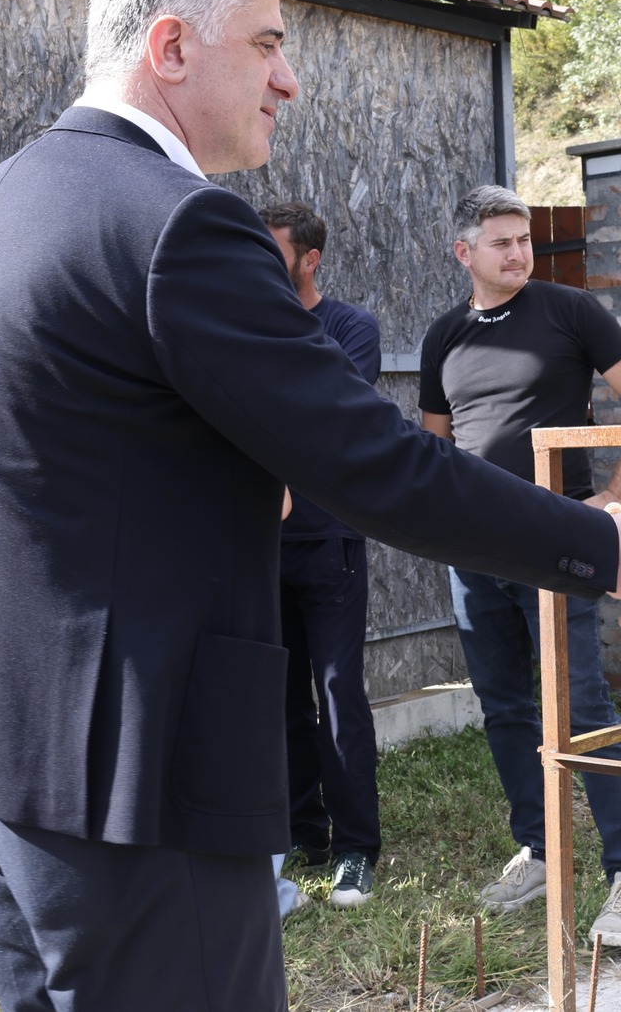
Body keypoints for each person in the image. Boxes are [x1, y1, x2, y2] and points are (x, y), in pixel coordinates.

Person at [0, 0, 621, 1012]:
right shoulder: (179, 226)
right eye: (268, 43)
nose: (290, 79)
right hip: (138, 783)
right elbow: (373, 462)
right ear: (171, 45)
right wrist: (608, 545)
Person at [419, 185, 621, 949]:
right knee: (504, 705)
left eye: (524, 239)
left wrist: (616, 497)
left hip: (554, 544)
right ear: (463, 252)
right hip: (473, 550)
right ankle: (539, 850)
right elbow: (434, 446)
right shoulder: (444, 336)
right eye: (501, 241)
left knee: (582, 704)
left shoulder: (569, 311)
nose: (518, 253)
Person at [259, 199, 385, 908]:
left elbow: (332, 414)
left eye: (272, 250)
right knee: (280, 699)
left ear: (309, 259)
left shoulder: (349, 327)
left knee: (338, 694)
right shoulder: (248, 322)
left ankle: (356, 847)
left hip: (329, 541)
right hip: (258, 541)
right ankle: (301, 831)